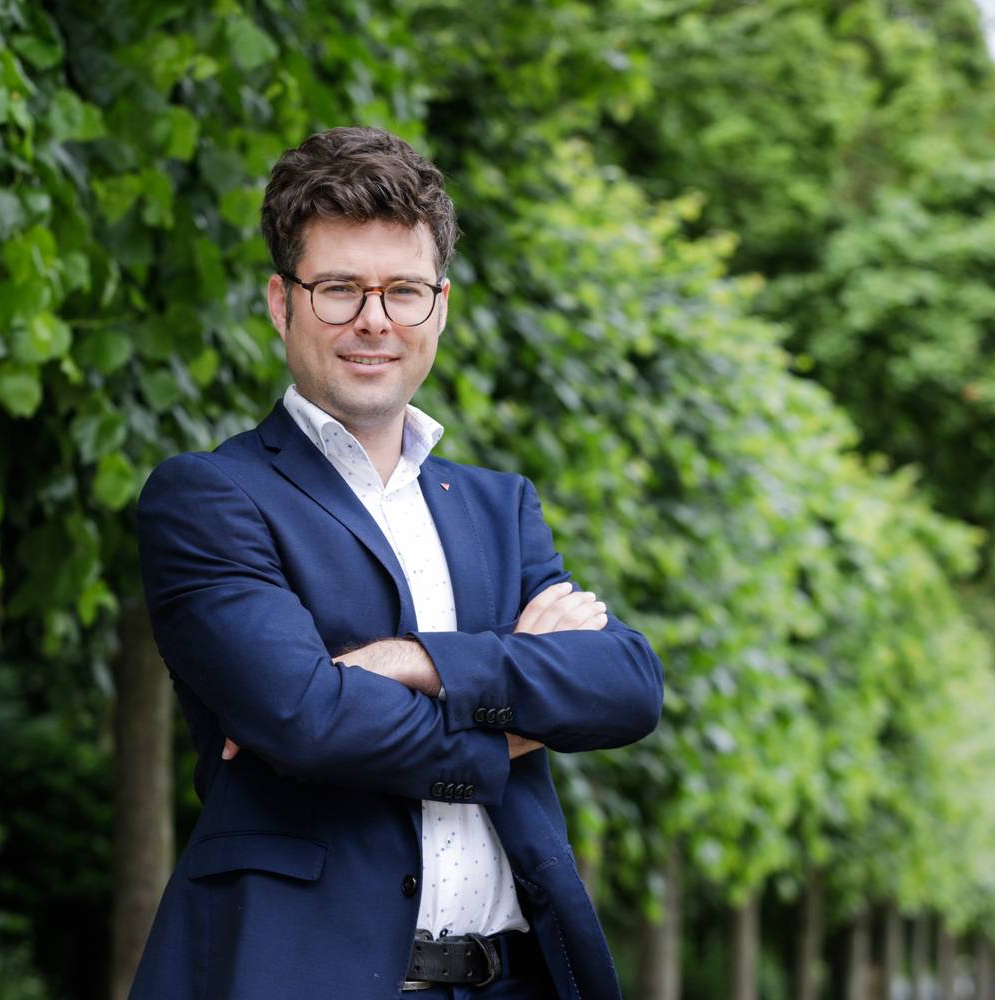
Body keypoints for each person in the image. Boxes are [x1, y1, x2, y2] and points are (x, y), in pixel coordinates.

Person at [128, 126, 663, 1000]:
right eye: (339, 289)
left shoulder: (500, 505)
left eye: (404, 291)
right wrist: (516, 711)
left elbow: (627, 684)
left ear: (439, 308)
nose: (374, 319)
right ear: (280, 302)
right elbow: (307, 720)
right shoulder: (209, 497)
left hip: (513, 980)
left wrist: (410, 662)